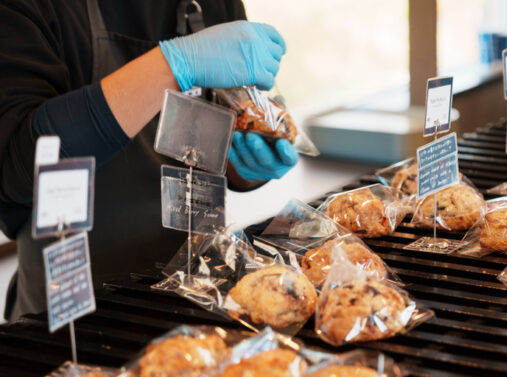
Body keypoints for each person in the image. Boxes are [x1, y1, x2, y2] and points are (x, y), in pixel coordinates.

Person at [0, 0, 299, 322]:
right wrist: (173, 65)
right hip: (71, 310)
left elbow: (229, 133)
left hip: (199, 291)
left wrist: (248, 165)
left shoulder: (214, 4)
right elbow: (15, 167)